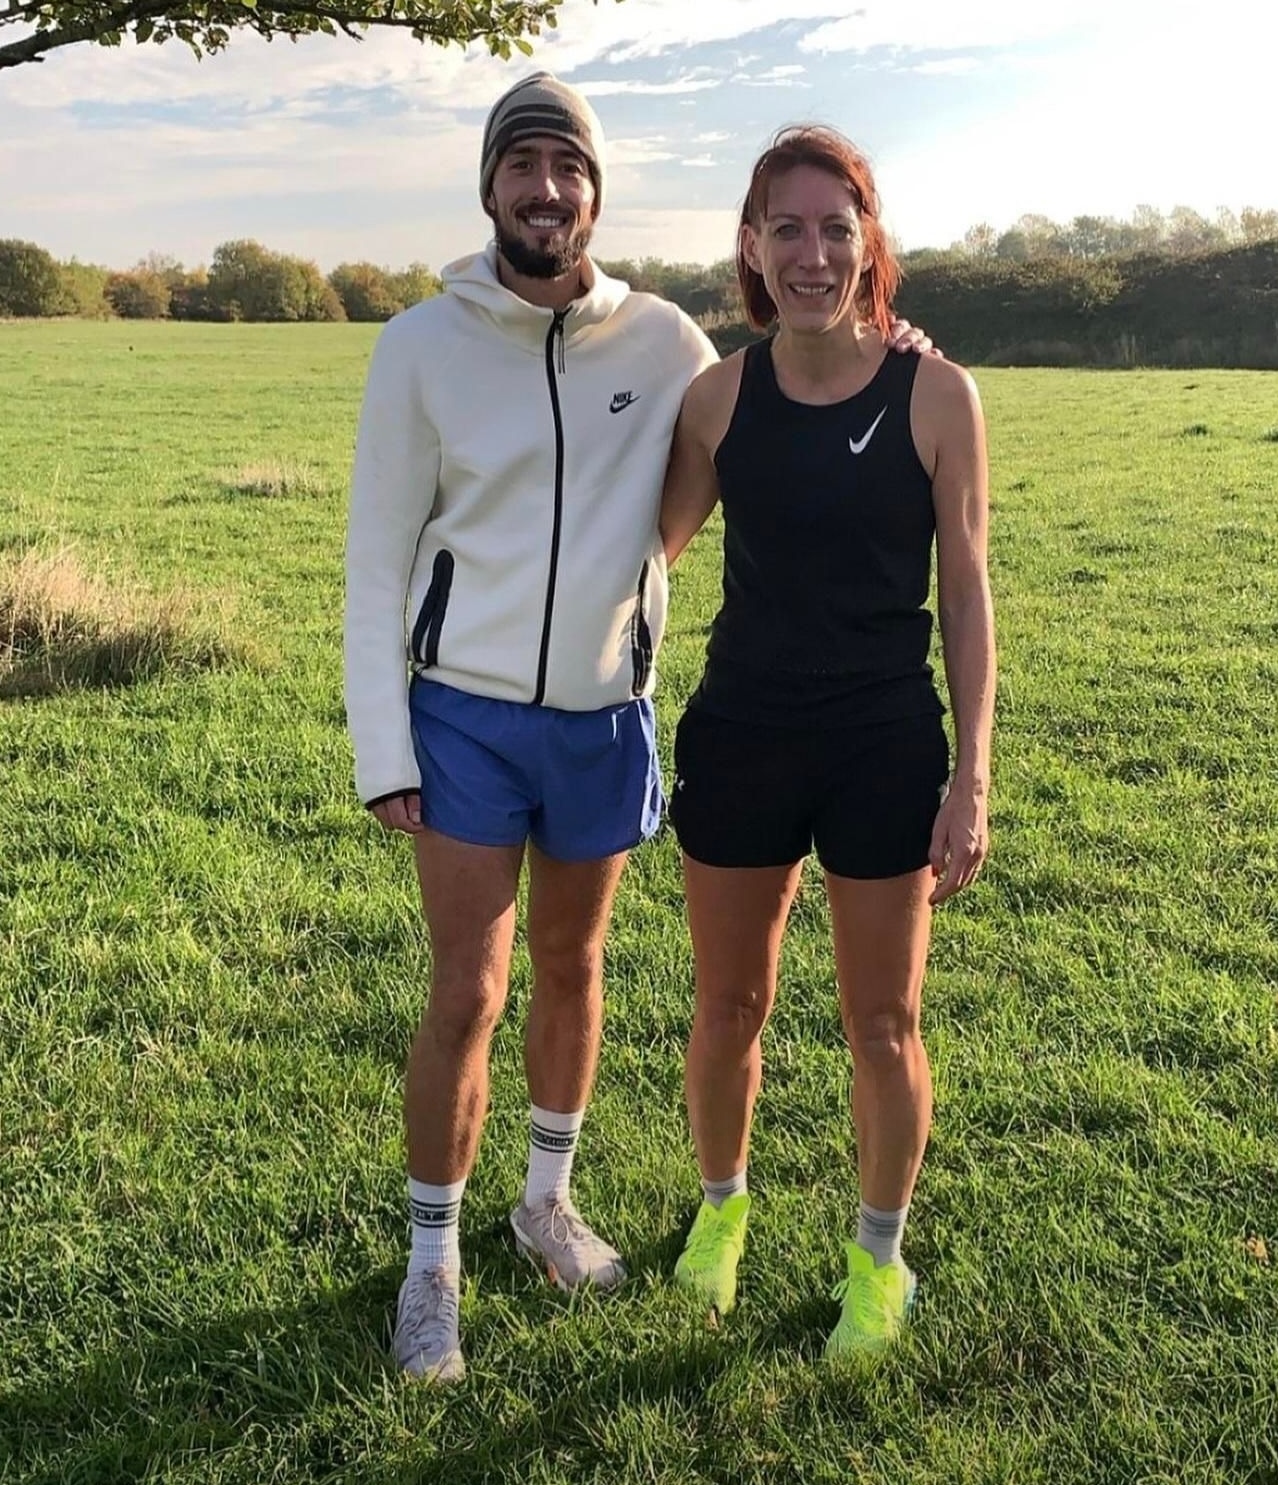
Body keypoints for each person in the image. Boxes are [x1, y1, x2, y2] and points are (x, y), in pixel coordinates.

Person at [345, 72, 931, 1383]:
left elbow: (790, 387)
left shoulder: (665, 342)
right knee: (467, 993)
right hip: (464, 715)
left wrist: (896, 344)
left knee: (574, 968)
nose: (546, 189)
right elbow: (376, 561)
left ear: (598, 193)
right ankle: (432, 1264)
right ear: (490, 186)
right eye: (523, 165)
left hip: (604, 719)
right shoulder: (419, 347)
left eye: (569, 167)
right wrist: (384, 746)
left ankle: (545, 1203)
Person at [659, 126, 995, 1360]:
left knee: (883, 1025)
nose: (811, 254)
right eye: (786, 229)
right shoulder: (718, 398)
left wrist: (971, 775)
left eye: (834, 229)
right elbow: (646, 556)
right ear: (751, 246)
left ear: (869, 243)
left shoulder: (937, 395)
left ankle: (878, 1260)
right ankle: (721, 1214)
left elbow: (967, 593)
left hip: (881, 743)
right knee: (728, 1004)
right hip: (743, 732)